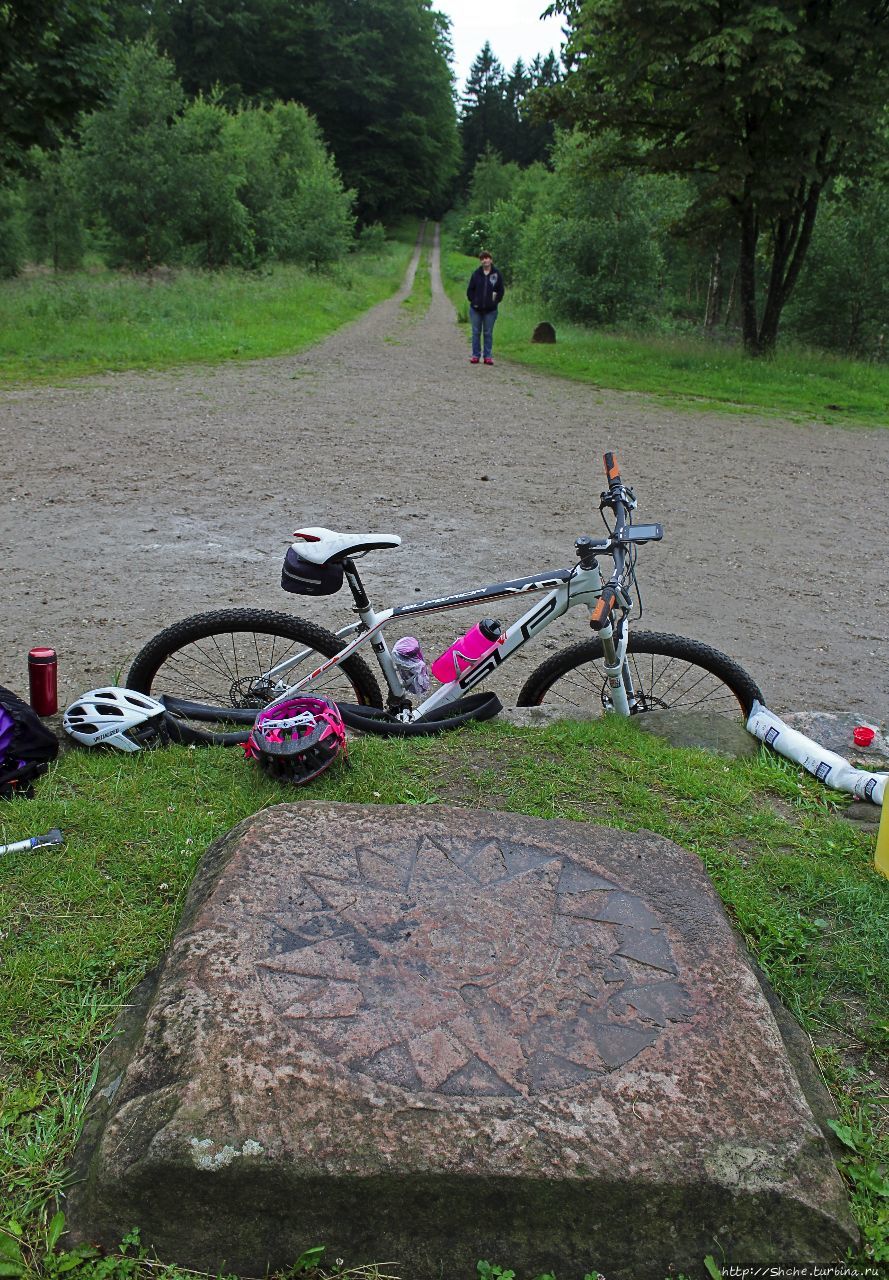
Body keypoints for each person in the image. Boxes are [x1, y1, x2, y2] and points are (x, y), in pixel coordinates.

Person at [466, 250, 505, 365]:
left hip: (490, 311)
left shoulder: (497, 274)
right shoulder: (476, 274)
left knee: (488, 333)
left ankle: (488, 356)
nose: (485, 260)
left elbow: (500, 291)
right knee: (476, 332)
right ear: (480, 261)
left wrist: (495, 302)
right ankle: (475, 355)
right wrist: (474, 301)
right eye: (482, 259)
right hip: (476, 310)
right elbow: (470, 290)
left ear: (491, 260)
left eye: (487, 258)